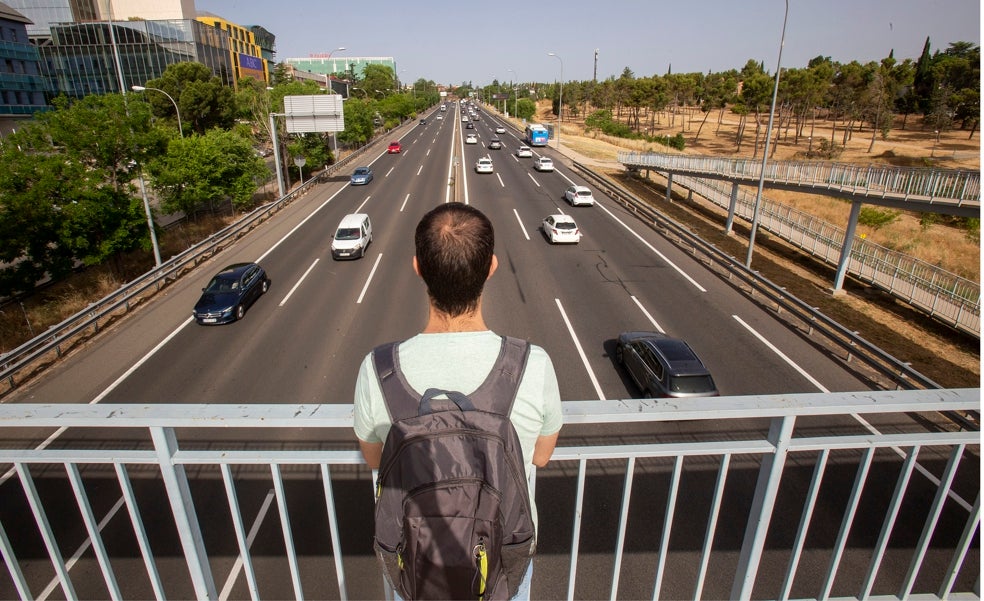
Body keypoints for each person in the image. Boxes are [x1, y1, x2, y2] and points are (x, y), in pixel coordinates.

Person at [353, 202, 563, 598]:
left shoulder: (377, 369)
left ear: (418, 268)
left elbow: (375, 459)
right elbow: (540, 456)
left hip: (416, 563)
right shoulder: (531, 365)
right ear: (491, 268)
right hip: (501, 558)